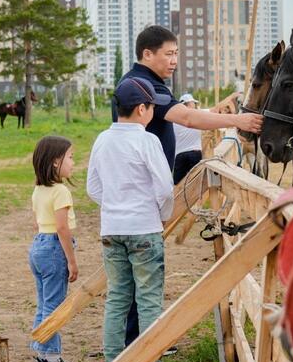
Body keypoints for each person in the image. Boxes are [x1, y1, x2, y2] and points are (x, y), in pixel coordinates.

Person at [113, 25, 264, 344]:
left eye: (176, 54)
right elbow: (189, 119)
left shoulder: (144, 82)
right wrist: (237, 121)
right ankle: (137, 348)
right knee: (141, 279)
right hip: (142, 197)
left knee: (131, 281)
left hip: (133, 195)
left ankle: (131, 346)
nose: (174, 60)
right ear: (147, 54)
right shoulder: (143, 85)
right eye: (168, 54)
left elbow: (191, 115)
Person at [87, 77, 176, 362]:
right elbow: (165, 188)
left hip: (112, 230)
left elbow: (92, 187)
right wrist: (161, 215)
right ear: (142, 109)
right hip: (144, 229)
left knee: (117, 298)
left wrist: (115, 205)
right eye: (152, 106)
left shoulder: (102, 140)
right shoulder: (147, 141)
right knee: (149, 300)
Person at [29, 135, 80, 362]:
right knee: (54, 306)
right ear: (55, 163)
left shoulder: (38, 190)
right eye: (70, 157)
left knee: (43, 303)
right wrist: (71, 260)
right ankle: (52, 360)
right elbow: (62, 228)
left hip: (38, 245)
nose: (73, 162)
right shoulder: (60, 191)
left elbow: (38, 222)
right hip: (54, 248)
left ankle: (41, 355)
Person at [172, 93, 203, 184]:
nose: (195, 105)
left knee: (178, 185)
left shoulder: (174, 119)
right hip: (194, 154)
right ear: (189, 104)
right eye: (194, 103)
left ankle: (179, 199)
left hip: (180, 155)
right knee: (195, 183)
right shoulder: (197, 116)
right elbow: (215, 110)